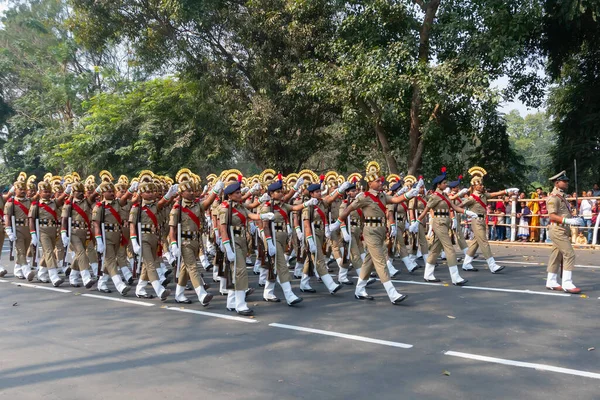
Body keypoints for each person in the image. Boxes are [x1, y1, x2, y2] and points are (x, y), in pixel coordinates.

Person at [331, 161, 418, 304]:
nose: (380, 182)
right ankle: (392, 294)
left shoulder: (383, 196)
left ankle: (359, 290)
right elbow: (348, 209)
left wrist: (409, 195)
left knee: (368, 262)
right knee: (381, 261)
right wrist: (338, 222)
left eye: (380, 180)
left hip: (381, 230)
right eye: (377, 181)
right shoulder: (363, 197)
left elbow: (396, 199)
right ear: (370, 183)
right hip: (370, 231)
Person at [410, 167, 479, 285]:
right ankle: (455, 277)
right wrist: (416, 221)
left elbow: (455, 207)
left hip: (445, 222)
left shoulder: (445, 195)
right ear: (438, 185)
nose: (446, 184)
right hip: (438, 222)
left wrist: (467, 212)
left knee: (435, 249)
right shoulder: (435, 196)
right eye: (444, 183)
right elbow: (426, 209)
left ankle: (428, 274)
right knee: (450, 249)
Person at [218, 173, 275, 315]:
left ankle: (231, 302)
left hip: (242, 241)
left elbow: (251, 215)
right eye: (237, 193)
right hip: (232, 242)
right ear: (230, 195)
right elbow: (223, 229)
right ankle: (241, 304)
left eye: (239, 192)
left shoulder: (240, 206)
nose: (240, 194)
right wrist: (227, 248)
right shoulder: (225, 208)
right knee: (240, 272)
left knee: (236, 271)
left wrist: (263, 216)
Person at [168, 169, 222, 305]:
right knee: (192, 267)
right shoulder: (177, 209)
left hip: (196, 241)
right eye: (189, 191)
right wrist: (173, 244)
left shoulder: (197, 205)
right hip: (184, 242)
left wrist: (215, 191)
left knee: (185, 269)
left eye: (193, 190)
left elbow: (208, 202)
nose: (192, 193)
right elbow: (172, 230)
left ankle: (179, 294)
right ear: (181, 193)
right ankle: (201, 294)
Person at [459, 166, 517, 273]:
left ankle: (466, 263)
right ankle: (492, 265)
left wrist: (506, 191)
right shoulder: (471, 198)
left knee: (476, 243)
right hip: (476, 221)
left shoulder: (483, 195)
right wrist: (466, 212)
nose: (482, 186)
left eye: (481, 184)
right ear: (474, 186)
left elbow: (494, 194)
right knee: (484, 242)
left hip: (482, 220)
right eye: (480, 184)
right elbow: (459, 206)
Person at [130, 170, 177, 300]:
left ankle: (140, 289)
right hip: (143, 238)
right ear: (141, 193)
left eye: (152, 191)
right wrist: (134, 241)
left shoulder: (155, 205)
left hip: (154, 238)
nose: (151, 194)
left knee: (148, 265)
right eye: (148, 192)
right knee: (150, 264)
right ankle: (159, 289)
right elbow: (132, 225)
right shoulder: (136, 208)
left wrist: (170, 193)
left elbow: (163, 202)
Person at [545, 170, 583, 293]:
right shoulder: (554, 198)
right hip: (557, 229)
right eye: (564, 181)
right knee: (569, 253)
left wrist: (573, 218)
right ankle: (567, 283)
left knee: (556, 255)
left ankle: (551, 281)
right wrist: (568, 221)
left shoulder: (562, 197)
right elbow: (552, 216)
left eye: (567, 181)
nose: (567, 183)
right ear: (557, 183)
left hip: (561, 229)